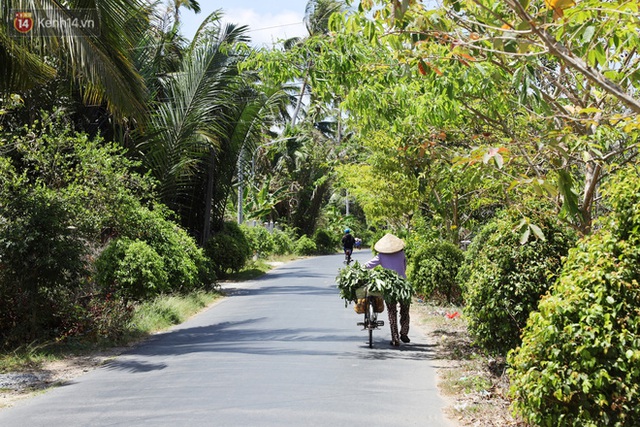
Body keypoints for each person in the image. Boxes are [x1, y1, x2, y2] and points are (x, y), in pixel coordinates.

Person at [365, 233, 410, 347]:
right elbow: (404, 267)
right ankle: (404, 333)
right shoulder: (401, 254)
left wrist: (359, 268)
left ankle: (395, 338)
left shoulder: (381, 256)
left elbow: (369, 265)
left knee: (392, 312)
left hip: (389, 286)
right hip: (403, 285)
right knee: (405, 309)